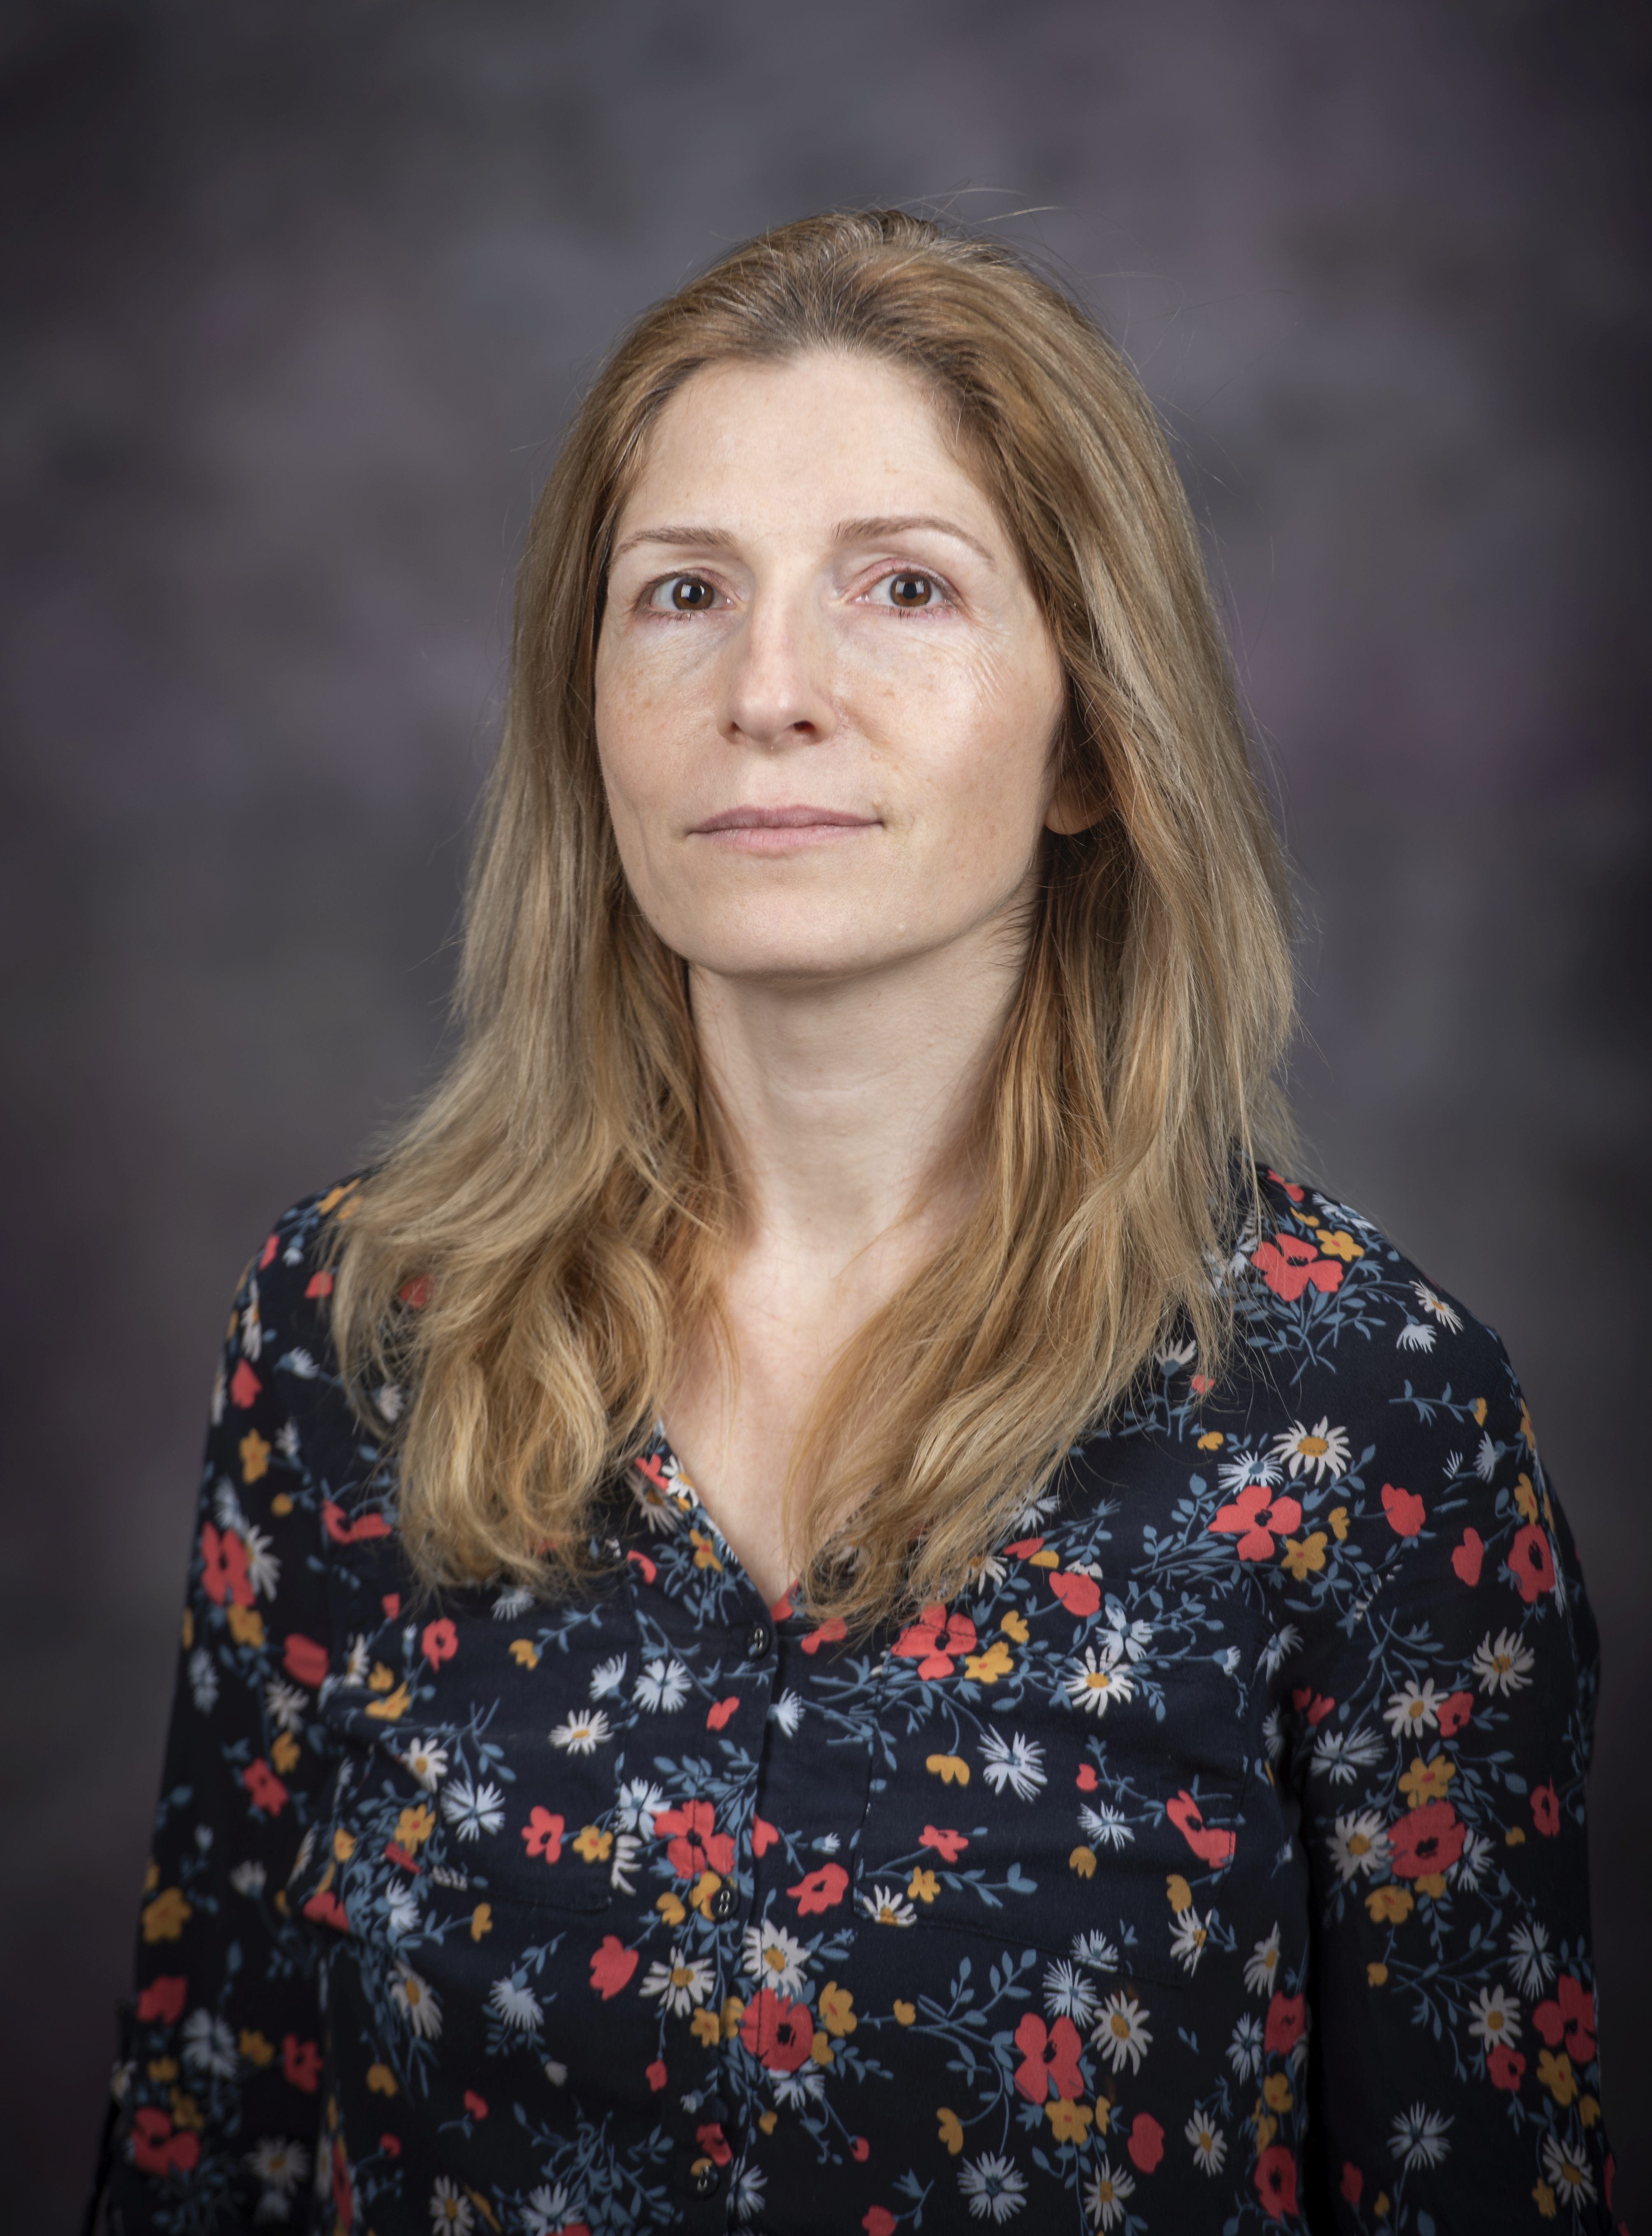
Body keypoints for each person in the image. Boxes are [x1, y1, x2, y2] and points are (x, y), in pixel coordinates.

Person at [88, 211, 1616, 2235]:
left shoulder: (1362, 1413)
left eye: (902, 586)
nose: (767, 690)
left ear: (1090, 738)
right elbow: (209, 2137)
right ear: (586, 711)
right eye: (682, 593)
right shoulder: (358, 1329)